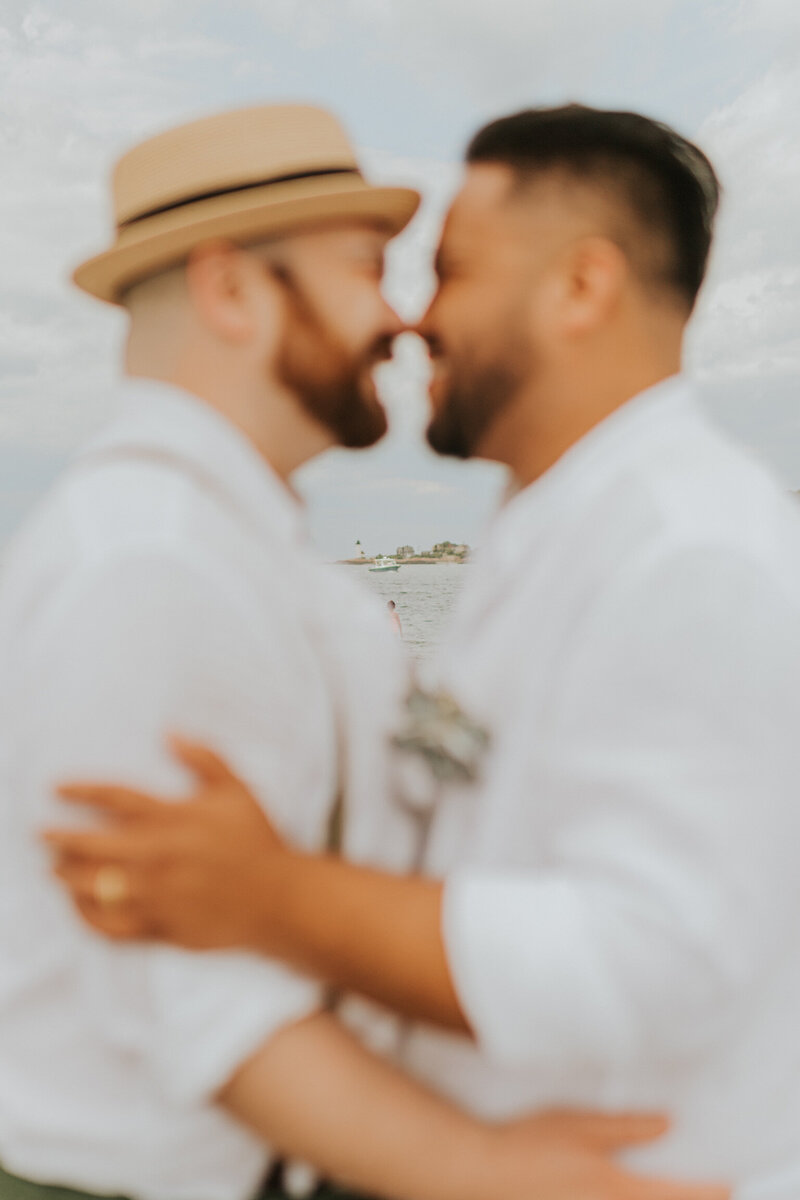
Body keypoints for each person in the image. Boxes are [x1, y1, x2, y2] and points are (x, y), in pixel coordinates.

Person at [46, 103, 800, 1193]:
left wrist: (275, 895)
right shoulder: (164, 562)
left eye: (447, 271)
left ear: (580, 289)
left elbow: (660, 953)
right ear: (227, 291)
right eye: (381, 269)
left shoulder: (689, 551)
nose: (411, 318)